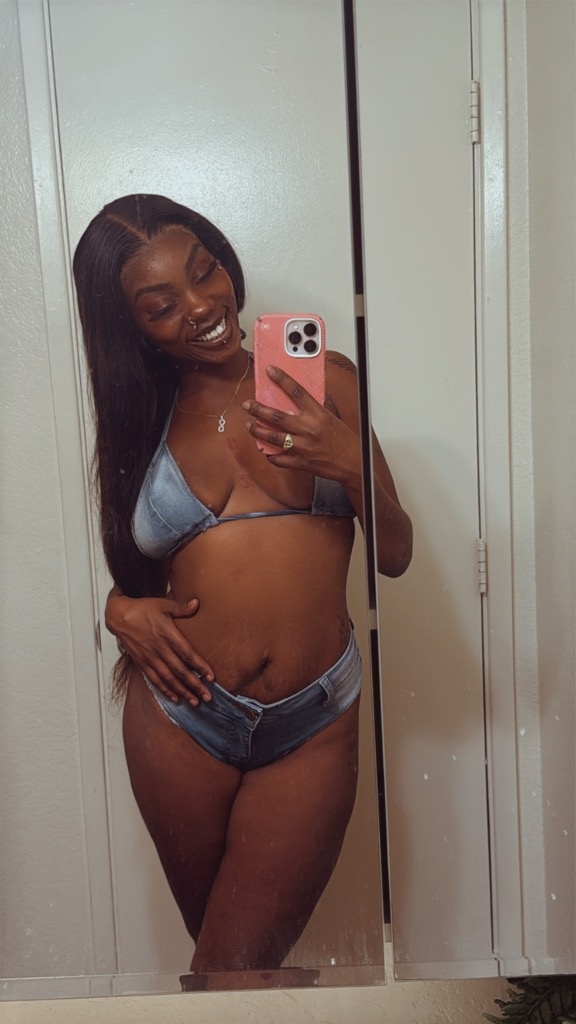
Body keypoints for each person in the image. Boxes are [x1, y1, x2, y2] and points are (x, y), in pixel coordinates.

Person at [73, 193, 412, 976]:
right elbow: (135, 572)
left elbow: (395, 555)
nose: (201, 306)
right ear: (133, 329)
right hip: (179, 720)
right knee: (229, 977)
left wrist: (347, 463)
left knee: (232, 968)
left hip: (313, 722)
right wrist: (119, 610)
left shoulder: (329, 382)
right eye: (161, 306)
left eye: (205, 271)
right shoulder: (141, 419)